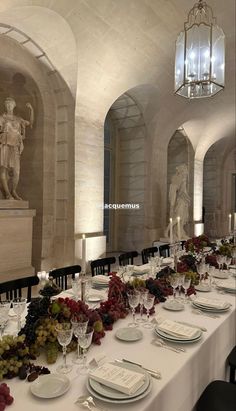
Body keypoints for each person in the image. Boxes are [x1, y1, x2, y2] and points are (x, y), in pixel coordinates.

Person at [0, 97, 34, 200]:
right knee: (3, 170)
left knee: (17, 172)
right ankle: (7, 194)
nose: (9, 106)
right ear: (5, 105)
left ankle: (13, 190)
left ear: (14, 105)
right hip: (5, 145)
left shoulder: (18, 119)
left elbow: (30, 123)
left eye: (11, 104)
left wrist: (31, 110)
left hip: (15, 146)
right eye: (7, 104)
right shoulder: (2, 117)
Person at [165, 164, 191, 241]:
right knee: (177, 218)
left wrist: (187, 198)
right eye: (185, 171)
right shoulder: (179, 179)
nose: (186, 173)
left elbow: (184, 191)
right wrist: (172, 204)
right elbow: (179, 191)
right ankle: (166, 231)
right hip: (181, 201)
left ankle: (179, 233)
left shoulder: (183, 179)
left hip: (184, 201)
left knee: (182, 219)